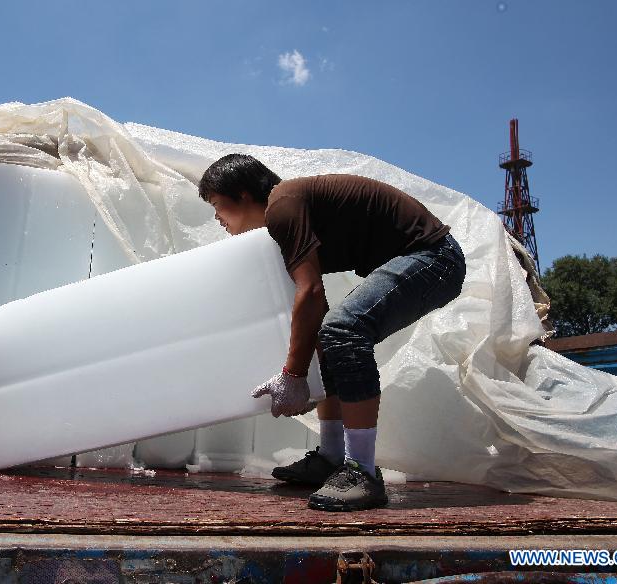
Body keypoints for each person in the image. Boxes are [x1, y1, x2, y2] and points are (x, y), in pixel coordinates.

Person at [199, 154, 466, 512]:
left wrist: (293, 375)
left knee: (345, 329)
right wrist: (306, 363)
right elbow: (314, 305)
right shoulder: (286, 215)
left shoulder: (283, 206)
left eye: (218, 205)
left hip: (434, 257)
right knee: (331, 337)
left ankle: (362, 472)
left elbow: (309, 293)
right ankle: (331, 457)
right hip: (420, 258)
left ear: (243, 195)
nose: (217, 217)